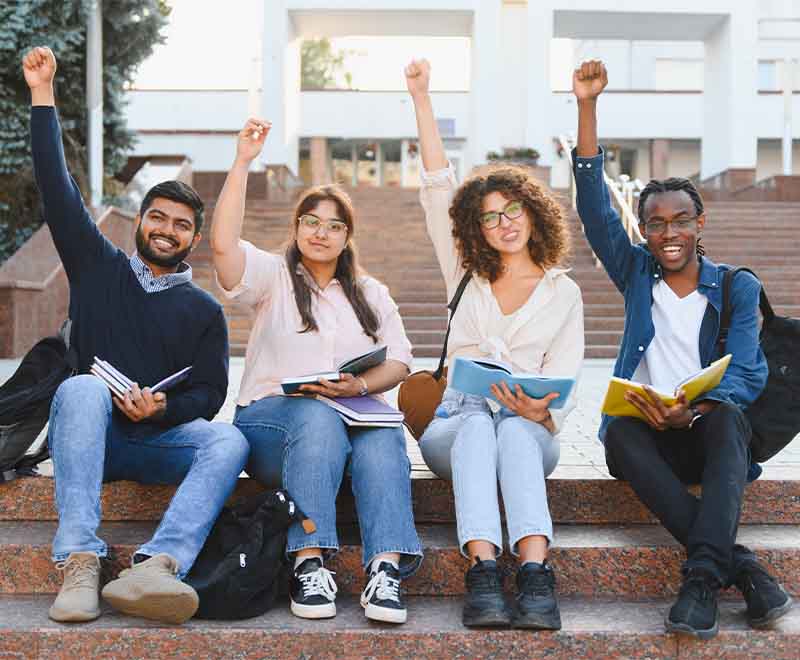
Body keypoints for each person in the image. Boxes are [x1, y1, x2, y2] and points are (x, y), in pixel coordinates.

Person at [22, 47, 249, 625]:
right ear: (140, 220)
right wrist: (43, 95)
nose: (167, 231)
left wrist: (162, 406)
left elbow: (209, 394)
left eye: (181, 225)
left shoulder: (203, 310)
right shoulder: (99, 267)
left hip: (155, 441)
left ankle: (158, 565)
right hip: (90, 441)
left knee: (228, 442)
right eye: (158, 218)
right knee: (79, 390)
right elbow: (56, 188)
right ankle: (79, 560)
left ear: (193, 239)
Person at [572, 59, 792, 640]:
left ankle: (702, 581)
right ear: (643, 229)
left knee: (729, 421)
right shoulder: (636, 272)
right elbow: (595, 212)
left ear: (701, 222)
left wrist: (695, 408)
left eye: (681, 221)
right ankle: (743, 571)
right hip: (646, 438)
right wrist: (588, 107)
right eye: (655, 223)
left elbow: (747, 371)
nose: (669, 233)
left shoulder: (736, 287)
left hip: (705, 433)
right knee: (616, 433)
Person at [210, 118, 422, 624]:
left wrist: (360, 385)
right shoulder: (273, 277)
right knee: (317, 418)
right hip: (271, 428)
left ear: (348, 236)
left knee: (386, 436)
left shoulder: (371, 293)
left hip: (351, 421)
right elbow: (221, 246)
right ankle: (309, 562)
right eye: (311, 221)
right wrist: (242, 161)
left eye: (333, 225)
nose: (321, 233)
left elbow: (400, 360)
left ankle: (385, 572)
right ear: (297, 227)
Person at [406, 59, 584, 630]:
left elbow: (567, 378)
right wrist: (422, 97)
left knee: (510, 428)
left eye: (512, 211)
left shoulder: (564, 292)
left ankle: (534, 575)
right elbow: (437, 186)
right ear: (474, 230)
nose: (503, 223)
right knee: (483, 424)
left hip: (532, 428)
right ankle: (484, 571)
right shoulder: (464, 271)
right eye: (488, 218)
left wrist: (541, 409)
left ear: (533, 213)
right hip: (456, 422)